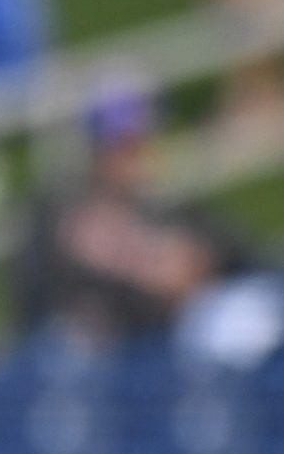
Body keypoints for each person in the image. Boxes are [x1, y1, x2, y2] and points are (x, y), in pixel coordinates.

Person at [13, 77, 245, 339]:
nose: (137, 155)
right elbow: (44, 313)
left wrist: (199, 265)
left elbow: (240, 258)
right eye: (123, 145)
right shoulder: (57, 218)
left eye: (142, 139)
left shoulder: (174, 205)